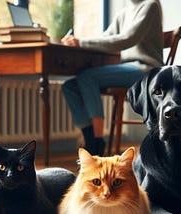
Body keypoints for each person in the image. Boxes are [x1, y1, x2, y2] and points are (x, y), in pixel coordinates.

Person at [61, 0, 164, 156]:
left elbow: (128, 38)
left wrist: (81, 42)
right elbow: (106, 38)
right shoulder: (124, 12)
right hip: (128, 68)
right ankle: (90, 140)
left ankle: (97, 142)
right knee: (69, 86)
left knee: (87, 77)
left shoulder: (150, 5)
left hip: (146, 70)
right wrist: (76, 41)